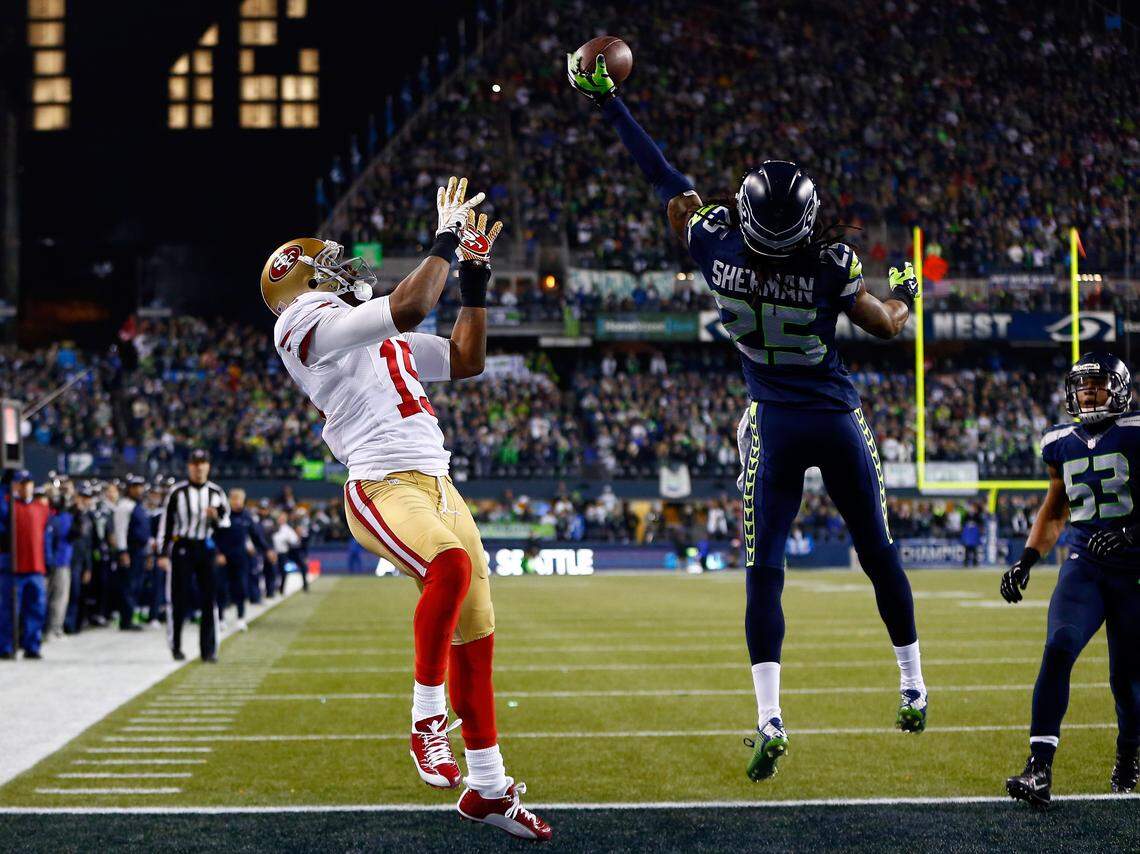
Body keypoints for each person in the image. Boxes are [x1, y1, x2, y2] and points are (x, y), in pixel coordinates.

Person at [568, 56, 926, 782]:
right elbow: (886, 325)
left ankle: (770, 716)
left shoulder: (715, 247)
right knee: (878, 551)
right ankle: (913, 684)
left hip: (773, 422)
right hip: (835, 416)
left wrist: (609, 103)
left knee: (765, 572)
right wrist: (910, 294)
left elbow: (665, 179)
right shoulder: (832, 266)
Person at [261, 176, 550, 840]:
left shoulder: (370, 335)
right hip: (380, 485)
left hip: (441, 485)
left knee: (477, 639)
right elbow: (413, 306)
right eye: (325, 266)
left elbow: (467, 359)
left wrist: (473, 276)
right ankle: (425, 722)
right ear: (297, 286)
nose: (342, 269)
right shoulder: (302, 324)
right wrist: (447, 237)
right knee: (448, 568)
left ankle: (488, 788)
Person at [1001, 353, 1140, 806]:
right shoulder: (1059, 441)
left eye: (1099, 385)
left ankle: (1127, 753)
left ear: (1119, 389)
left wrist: (1129, 533)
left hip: (1134, 570)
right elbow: (1056, 509)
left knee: (1127, 680)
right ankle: (1038, 768)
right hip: (1084, 565)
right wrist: (1025, 559)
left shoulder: (1136, 433)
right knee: (1059, 646)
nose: (1089, 393)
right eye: (1083, 386)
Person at [157, 450, 230, 662]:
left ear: (208, 466)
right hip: (182, 547)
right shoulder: (177, 492)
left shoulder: (216, 492)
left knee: (209, 600)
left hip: (205, 548)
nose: (199, 467)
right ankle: (176, 646)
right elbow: (166, 524)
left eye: (202, 463)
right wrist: (162, 553)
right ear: (189, 466)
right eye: (195, 463)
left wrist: (216, 517)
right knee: (178, 599)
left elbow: (225, 523)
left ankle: (208, 650)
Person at [0, 472, 51, 660]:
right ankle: (6, 646)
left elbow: (46, 538)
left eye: (27, 483)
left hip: (36, 567)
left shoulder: (41, 508)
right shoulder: (8, 506)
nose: (24, 487)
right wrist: (4, 488)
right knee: (9, 609)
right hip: (13, 568)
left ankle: (32, 645)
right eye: (20, 484)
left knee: (36, 608)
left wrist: (48, 561)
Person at [213, 488, 274, 631]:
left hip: (240, 558)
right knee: (221, 589)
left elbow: (256, 536)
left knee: (241, 588)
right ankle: (220, 618)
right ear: (229, 499)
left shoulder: (247, 516)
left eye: (238, 498)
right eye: (233, 498)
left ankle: (240, 618)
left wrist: (267, 550)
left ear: (243, 500)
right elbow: (212, 535)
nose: (236, 501)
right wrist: (217, 553)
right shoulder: (222, 514)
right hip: (223, 558)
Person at [44, 493, 74, 641]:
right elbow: (49, 542)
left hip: (63, 561)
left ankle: (55, 628)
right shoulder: (57, 519)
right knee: (58, 598)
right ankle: (52, 629)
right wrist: (49, 560)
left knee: (58, 598)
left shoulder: (62, 518)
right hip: (59, 562)